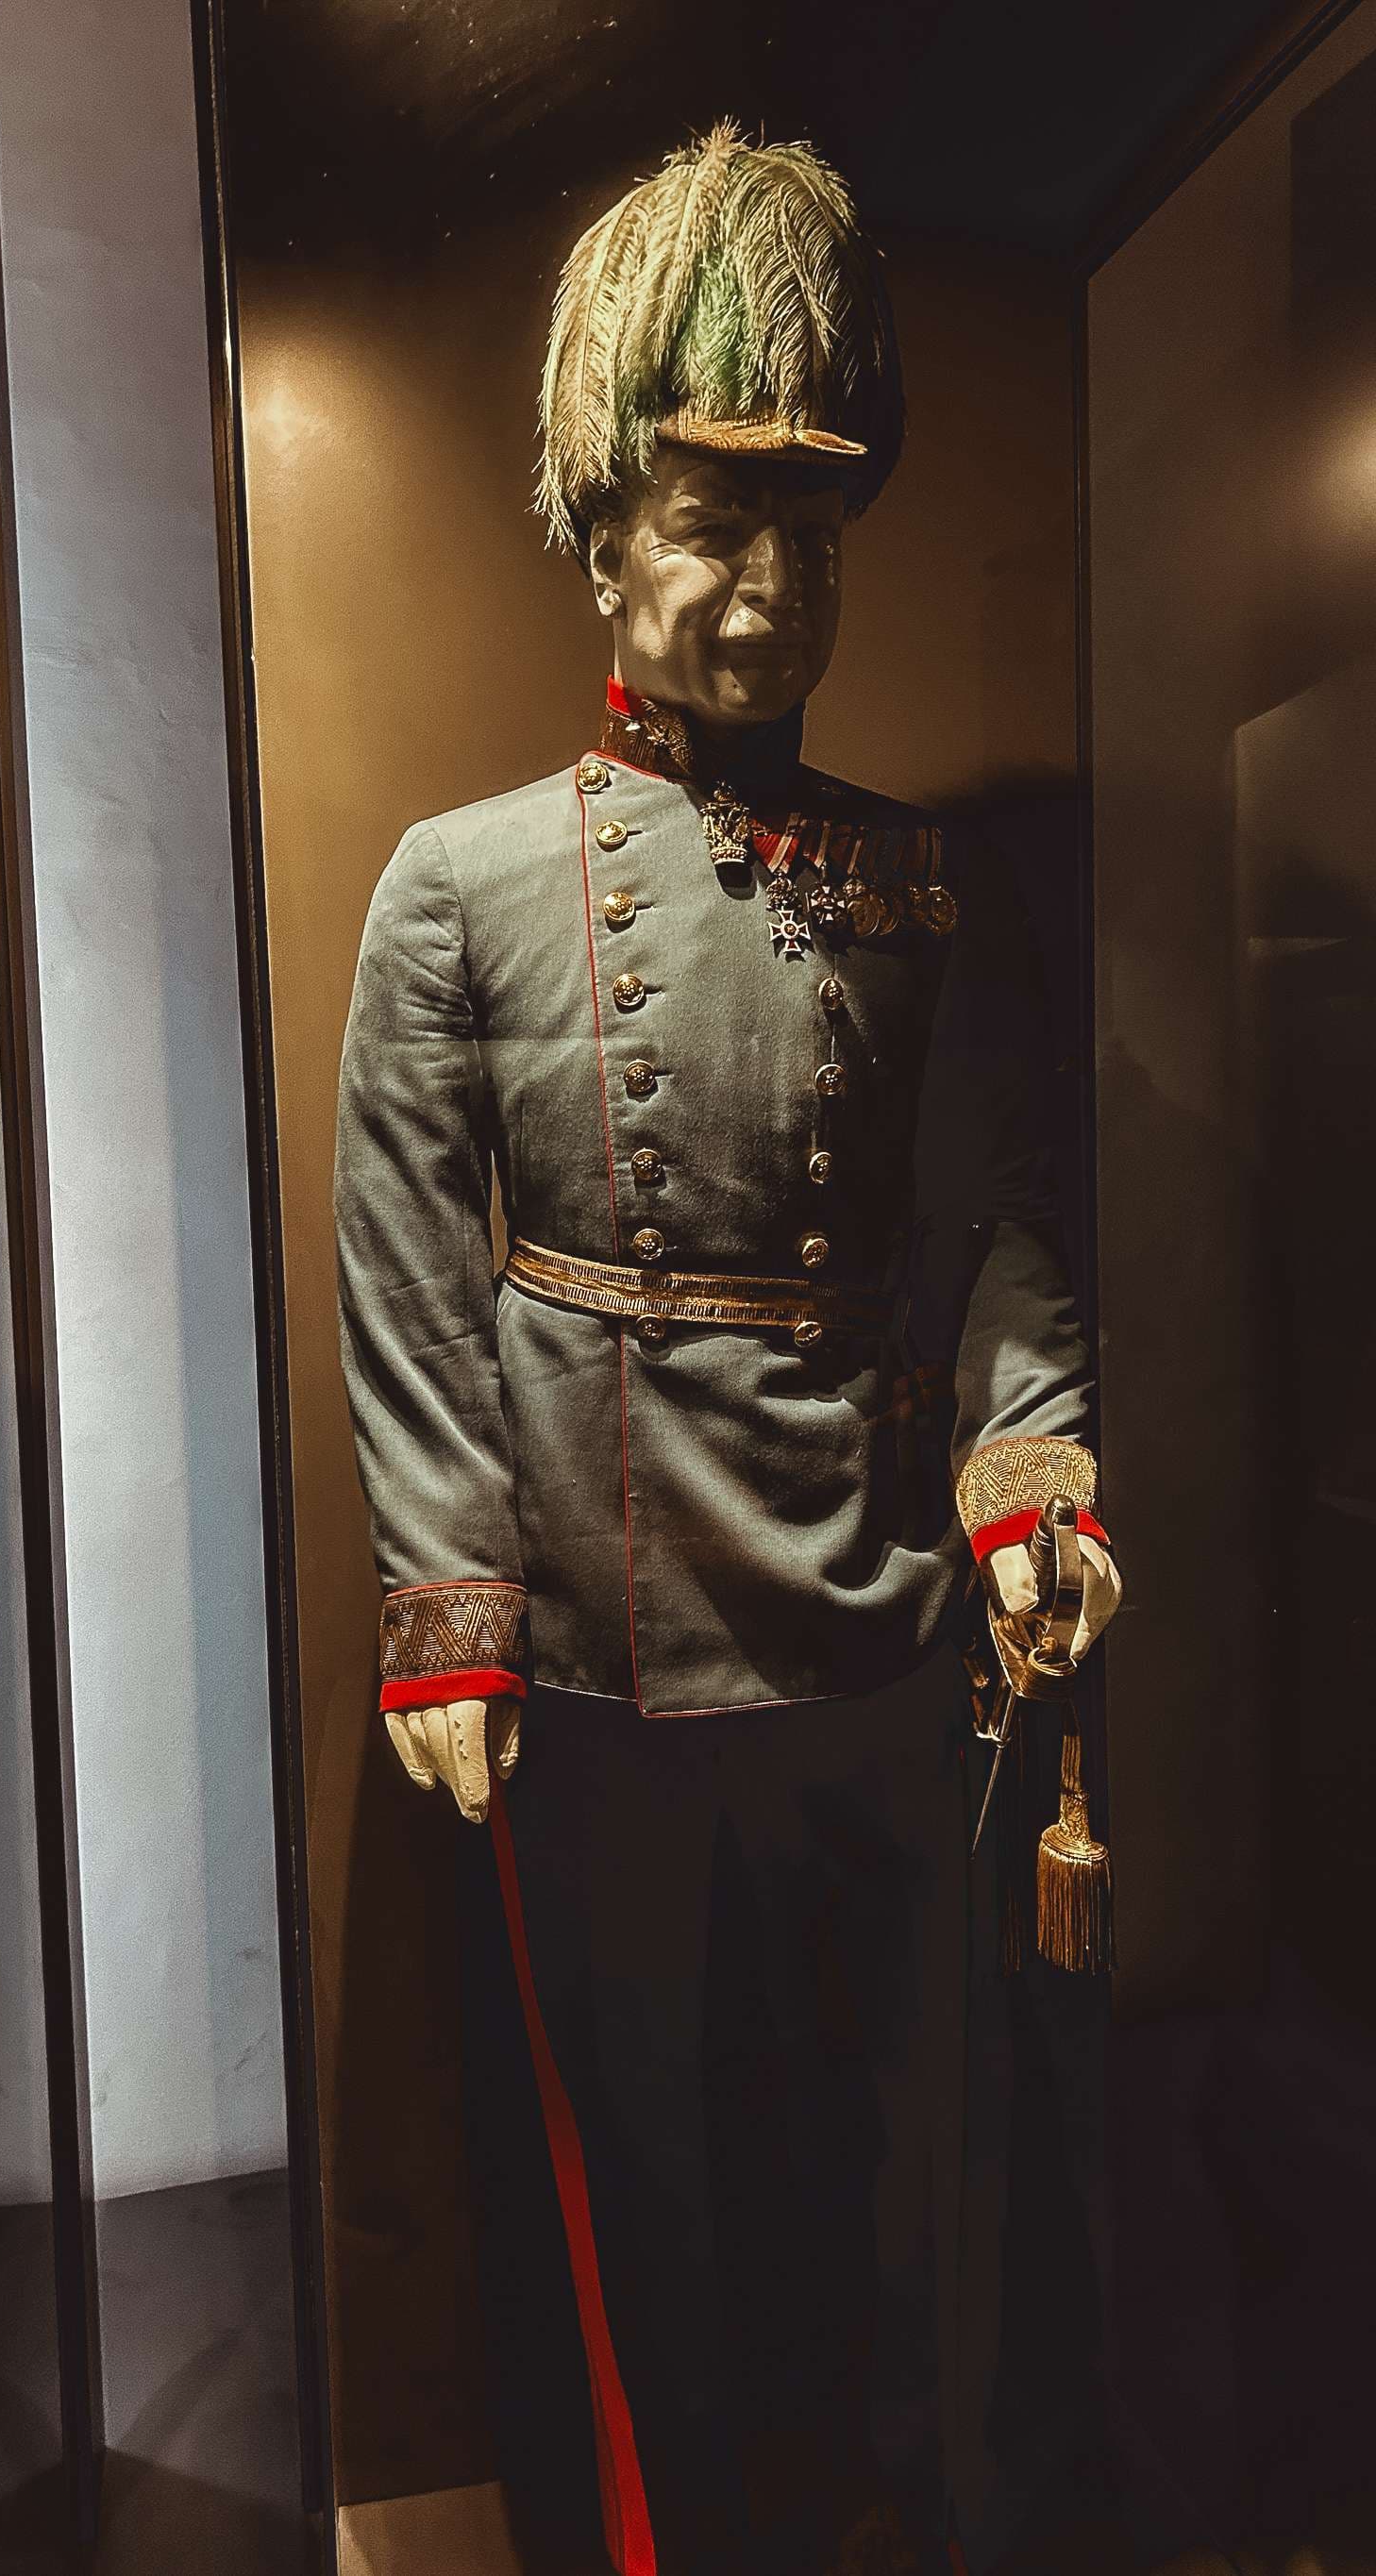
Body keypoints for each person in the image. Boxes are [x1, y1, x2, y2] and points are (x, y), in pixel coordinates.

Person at [335, 124, 1120, 2576]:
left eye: (811, 530)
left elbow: (990, 1230)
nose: (768, 586)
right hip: (606, 1682)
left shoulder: (919, 884)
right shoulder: (457, 888)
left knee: (907, 2238)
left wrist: (1033, 1471)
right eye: (711, 517)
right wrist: (448, 1601)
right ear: (607, 523)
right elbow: (402, 1273)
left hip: (880, 1664)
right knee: (630, 2234)